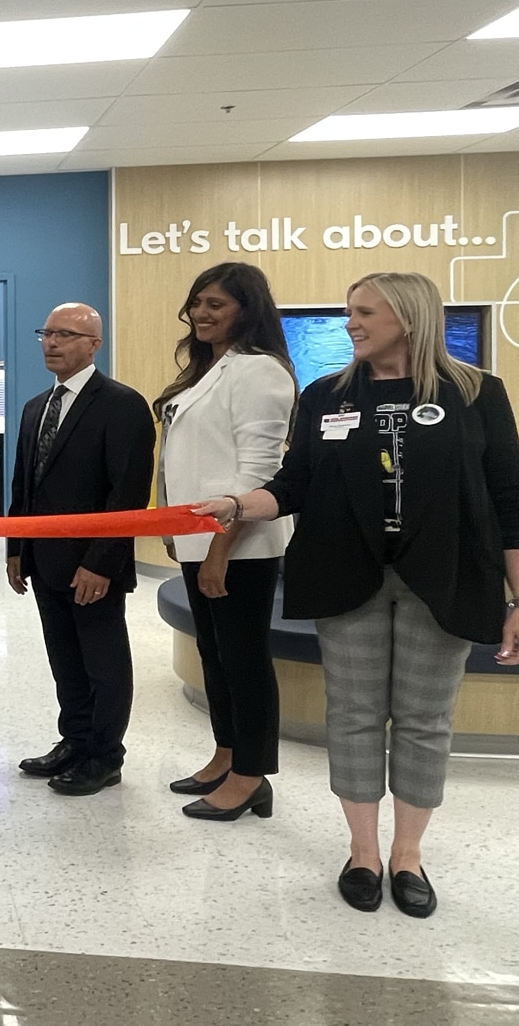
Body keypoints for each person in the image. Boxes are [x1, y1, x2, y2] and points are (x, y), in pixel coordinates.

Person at [194, 271, 519, 919]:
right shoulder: (327, 394)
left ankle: (407, 855)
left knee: (424, 720)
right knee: (351, 717)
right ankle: (362, 853)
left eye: (364, 312)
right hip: (343, 572)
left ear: (408, 318)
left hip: (445, 578)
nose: (350, 323)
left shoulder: (477, 393)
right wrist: (239, 504)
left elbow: (513, 502)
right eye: (349, 312)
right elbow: (291, 485)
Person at [153, 262, 297, 821]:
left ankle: (251, 775)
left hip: (242, 545)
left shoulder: (259, 371)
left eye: (217, 304)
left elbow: (258, 473)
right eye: (197, 303)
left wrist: (218, 550)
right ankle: (226, 753)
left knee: (244, 659)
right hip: (200, 537)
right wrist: (177, 531)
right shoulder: (207, 370)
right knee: (215, 655)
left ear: (248, 308)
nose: (203, 313)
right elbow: (185, 460)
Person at [6, 303, 155, 797]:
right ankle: (75, 739)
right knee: (64, 658)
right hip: (45, 561)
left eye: (66, 335)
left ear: (94, 345)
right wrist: (16, 549)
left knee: (103, 662)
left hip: (94, 566)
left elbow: (128, 494)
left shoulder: (122, 404)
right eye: (46, 333)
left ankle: (106, 755)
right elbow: (23, 487)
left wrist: (101, 562)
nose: (52, 343)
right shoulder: (34, 407)